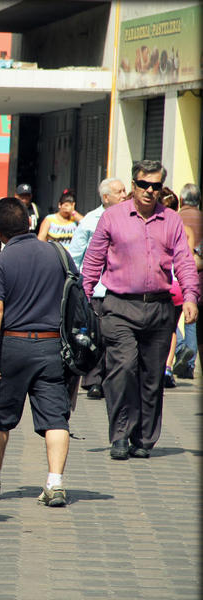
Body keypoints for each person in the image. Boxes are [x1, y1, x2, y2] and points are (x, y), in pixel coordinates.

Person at [82, 160, 199, 460]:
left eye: (156, 186)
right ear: (133, 185)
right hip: (119, 306)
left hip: (159, 308)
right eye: (144, 185)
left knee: (151, 377)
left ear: (161, 188)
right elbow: (94, 259)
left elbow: (184, 260)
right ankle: (120, 435)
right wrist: (83, 298)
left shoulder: (171, 220)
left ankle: (144, 438)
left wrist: (190, 296)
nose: (149, 191)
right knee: (122, 370)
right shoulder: (112, 218)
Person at [0, 198, 76, 508]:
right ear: (29, 222)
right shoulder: (59, 253)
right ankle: (55, 483)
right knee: (56, 417)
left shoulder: (0, 262)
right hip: (53, 345)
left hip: (12, 346)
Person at [68, 177, 127, 399]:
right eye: (119, 192)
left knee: (115, 336)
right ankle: (93, 381)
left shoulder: (130, 218)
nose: (124, 195)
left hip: (120, 290)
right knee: (96, 335)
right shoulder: (89, 221)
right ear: (105, 197)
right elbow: (75, 255)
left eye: (124, 191)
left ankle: (111, 379)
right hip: (96, 290)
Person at [173, 183, 201, 379]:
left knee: (173, 317)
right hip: (198, 277)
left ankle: (183, 351)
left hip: (179, 275)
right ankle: (189, 364)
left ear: (182, 200)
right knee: (193, 319)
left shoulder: (175, 219)